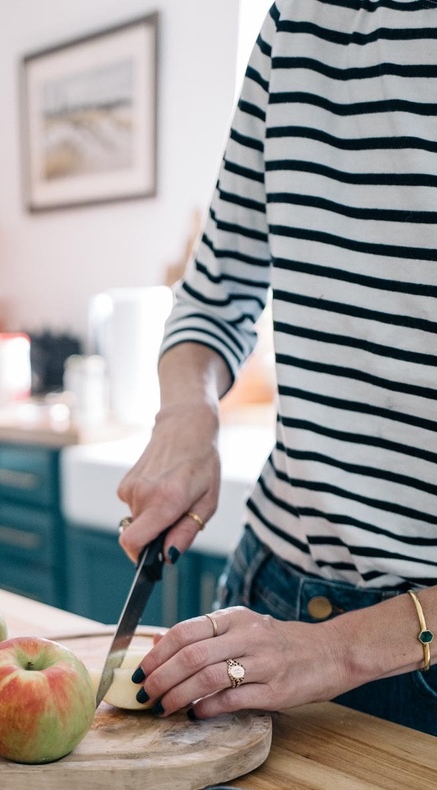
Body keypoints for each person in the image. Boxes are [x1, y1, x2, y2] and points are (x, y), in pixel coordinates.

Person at [117, 0, 437, 736]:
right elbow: (215, 291)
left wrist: (341, 650)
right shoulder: (296, 22)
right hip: (268, 598)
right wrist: (186, 416)